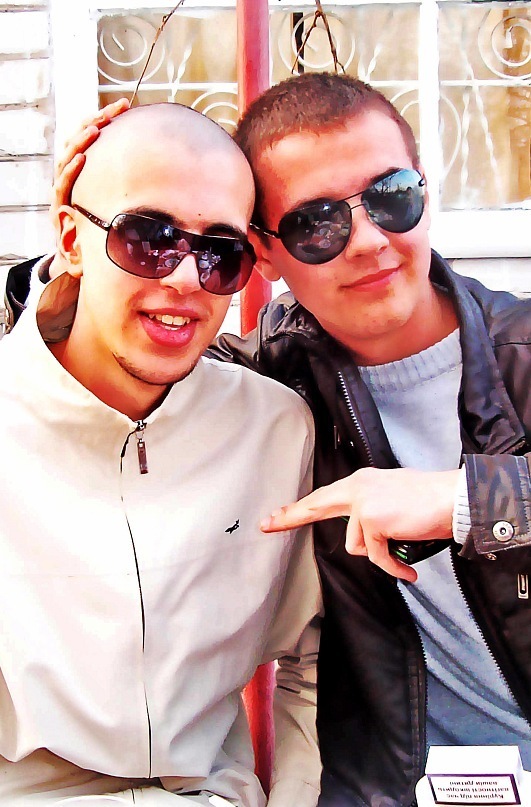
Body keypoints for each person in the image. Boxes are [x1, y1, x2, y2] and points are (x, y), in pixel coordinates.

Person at [5, 74, 531, 807]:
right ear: (268, 254)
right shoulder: (275, 385)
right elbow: (92, 368)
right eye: (317, 223)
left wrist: (469, 500)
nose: (369, 240)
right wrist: (87, 251)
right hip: (391, 788)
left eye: (392, 196)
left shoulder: (517, 351)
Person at [0, 102, 322, 807]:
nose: (184, 279)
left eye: (220, 253)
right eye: (147, 238)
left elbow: (313, 655)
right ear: (72, 240)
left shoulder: (273, 429)